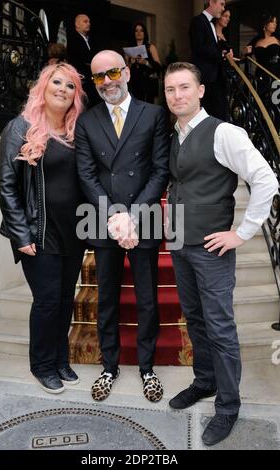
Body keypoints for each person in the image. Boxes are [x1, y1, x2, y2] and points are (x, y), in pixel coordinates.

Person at [164, 61, 278, 446]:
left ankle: (228, 406)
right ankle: (205, 381)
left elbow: (266, 179)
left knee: (220, 327)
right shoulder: (175, 134)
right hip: (181, 244)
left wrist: (241, 233)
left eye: (184, 87)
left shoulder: (224, 132)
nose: (176, 95)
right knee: (195, 320)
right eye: (170, 89)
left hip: (212, 250)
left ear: (200, 91)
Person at [75, 50, 170, 403]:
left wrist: (132, 215)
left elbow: (160, 170)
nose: (107, 82)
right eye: (99, 77)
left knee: (147, 300)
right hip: (103, 222)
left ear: (126, 73)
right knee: (107, 300)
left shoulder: (154, 114)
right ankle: (109, 366)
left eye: (112, 72)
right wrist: (116, 217)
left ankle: (147, 368)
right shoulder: (87, 121)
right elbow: (86, 173)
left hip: (142, 219)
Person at [0, 63, 87, 394]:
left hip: (73, 232)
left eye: (71, 85)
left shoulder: (78, 129)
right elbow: (6, 185)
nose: (63, 89)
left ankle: (61, 359)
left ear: (76, 94)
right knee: (47, 300)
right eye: (57, 82)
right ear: (44, 87)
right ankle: (42, 365)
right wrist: (21, 235)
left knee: (65, 300)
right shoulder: (20, 128)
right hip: (38, 232)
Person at [189, 0, 230, 120]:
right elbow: (199, 48)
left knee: (218, 115)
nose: (223, 8)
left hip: (215, 79)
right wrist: (221, 55)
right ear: (212, 2)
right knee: (205, 116)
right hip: (205, 78)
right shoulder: (198, 21)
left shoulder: (211, 24)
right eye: (221, 4)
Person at [67, 13, 100, 106]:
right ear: (77, 24)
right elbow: (82, 58)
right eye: (85, 21)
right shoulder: (72, 39)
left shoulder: (91, 40)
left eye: (89, 22)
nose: (89, 24)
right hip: (81, 81)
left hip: (92, 81)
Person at [126, 22, 161, 103]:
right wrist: (131, 62)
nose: (138, 33)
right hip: (134, 82)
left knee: (147, 106)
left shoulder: (150, 47)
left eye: (141, 30)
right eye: (136, 31)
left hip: (147, 82)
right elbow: (125, 69)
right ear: (133, 33)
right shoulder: (129, 48)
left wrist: (146, 62)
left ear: (145, 33)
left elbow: (159, 66)